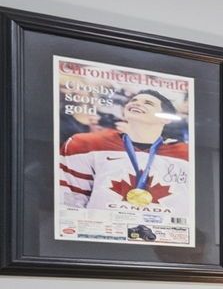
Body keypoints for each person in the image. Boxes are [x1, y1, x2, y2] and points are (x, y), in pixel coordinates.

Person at [58, 89, 191, 217]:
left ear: (166, 118)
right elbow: (71, 202)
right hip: (103, 229)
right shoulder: (85, 144)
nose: (137, 103)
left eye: (148, 103)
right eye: (133, 100)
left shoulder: (186, 154)